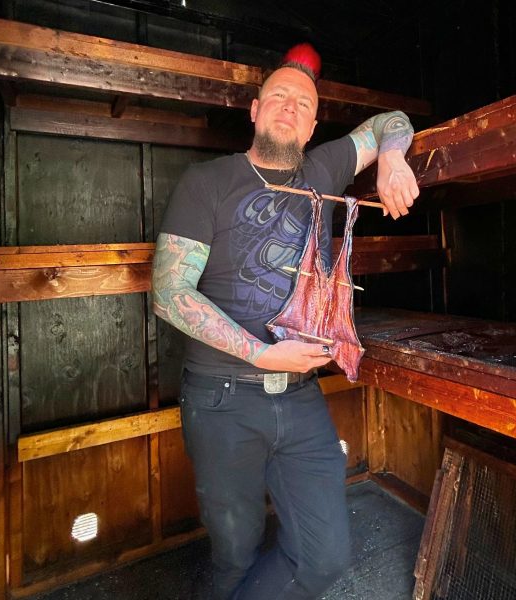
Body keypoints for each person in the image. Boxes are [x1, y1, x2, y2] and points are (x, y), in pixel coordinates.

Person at [152, 43, 419, 600]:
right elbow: (169, 293)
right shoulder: (208, 181)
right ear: (255, 110)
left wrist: (391, 159)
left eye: (304, 103)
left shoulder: (324, 168)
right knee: (234, 555)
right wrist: (261, 353)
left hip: (300, 397)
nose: (290, 107)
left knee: (325, 558)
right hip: (222, 398)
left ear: (314, 125)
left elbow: (391, 121)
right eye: (278, 96)